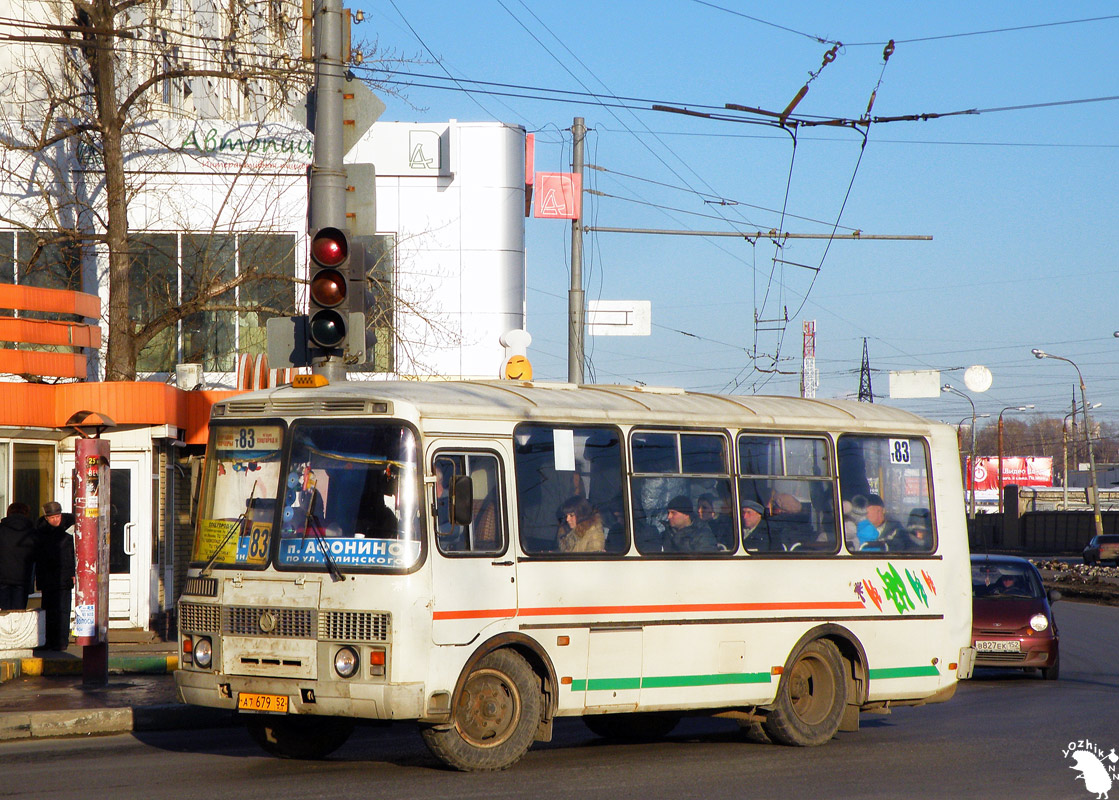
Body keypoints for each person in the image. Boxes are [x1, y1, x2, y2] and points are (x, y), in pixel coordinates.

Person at [33, 501, 76, 651]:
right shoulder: (41, 534)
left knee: (63, 610)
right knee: (49, 609)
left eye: (57, 516)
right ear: (46, 518)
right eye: (52, 518)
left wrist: (73, 573)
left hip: (64, 575)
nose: (55, 520)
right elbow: (38, 557)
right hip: (48, 576)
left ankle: (62, 640)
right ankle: (50, 640)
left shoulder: (69, 530)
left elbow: (72, 556)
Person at [0, 503, 36, 610]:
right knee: (19, 613)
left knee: (3, 614)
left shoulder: (2, 529)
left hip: (2, 578)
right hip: (23, 578)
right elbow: (36, 554)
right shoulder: (31, 532)